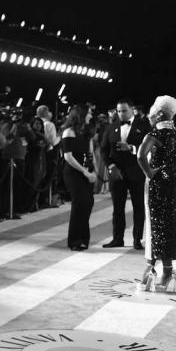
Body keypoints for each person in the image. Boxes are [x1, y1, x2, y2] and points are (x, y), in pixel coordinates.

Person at [136, 95, 176, 291]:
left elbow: (140, 155)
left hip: (157, 186)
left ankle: (153, 268)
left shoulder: (155, 135)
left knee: (154, 226)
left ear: (159, 114)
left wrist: (149, 172)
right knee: (169, 226)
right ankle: (164, 269)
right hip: (173, 186)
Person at [101, 99, 150, 249]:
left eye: (124, 110)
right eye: (119, 111)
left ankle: (137, 240)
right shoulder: (111, 127)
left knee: (138, 208)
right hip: (117, 174)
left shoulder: (143, 125)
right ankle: (117, 239)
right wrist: (111, 166)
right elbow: (104, 150)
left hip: (136, 172)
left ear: (131, 110)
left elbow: (149, 148)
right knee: (117, 208)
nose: (121, 114)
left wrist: (130, 148)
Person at [60, 104, 98, 250]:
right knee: (79, 204)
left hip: (86, 172)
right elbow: (68, 157)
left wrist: (94, 171)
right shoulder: (68, 132)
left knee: (88, 203)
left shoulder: (86, 132)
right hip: (73, 173)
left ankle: (83, 238)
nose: (90, 116)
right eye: (88, 113)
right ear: (80, 115)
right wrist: (85, 172)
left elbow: (91, 153)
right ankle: (74, 240)